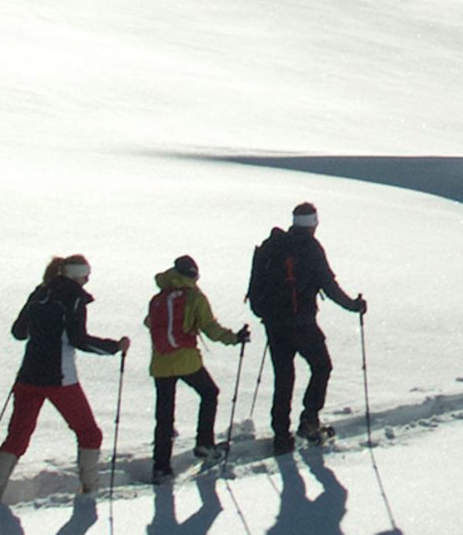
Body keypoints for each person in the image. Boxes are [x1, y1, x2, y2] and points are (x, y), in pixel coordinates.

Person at [0, 255, 128, 506]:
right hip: (60, 378)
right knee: (89, 433)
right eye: (86, 274)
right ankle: (89, 489)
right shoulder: (74, 298)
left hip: (28, 375)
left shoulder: (39, 293)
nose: (88, 279)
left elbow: (19, 332)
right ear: (76, 275)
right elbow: (78, 339)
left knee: (17, 435)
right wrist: (115, 347)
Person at [247, 202, 365, 454]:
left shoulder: (273, 245)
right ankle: (309, 420)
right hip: (301, 322)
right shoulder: (311, 248)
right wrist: (354, 306)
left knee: (284, 377)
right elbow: (329, 286)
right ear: (314, 223)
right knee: (322, 366)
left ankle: (281, 436)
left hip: (273, 322)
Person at [145, 254, 249, 482]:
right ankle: (204, 443)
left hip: (161, 363)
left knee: (164, 416)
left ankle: (160, 467)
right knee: (209, 393)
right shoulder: (194, 297)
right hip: (186, 360)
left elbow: (149, 323)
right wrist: (235, 338)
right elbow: (210, 329)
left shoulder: (159, 297)